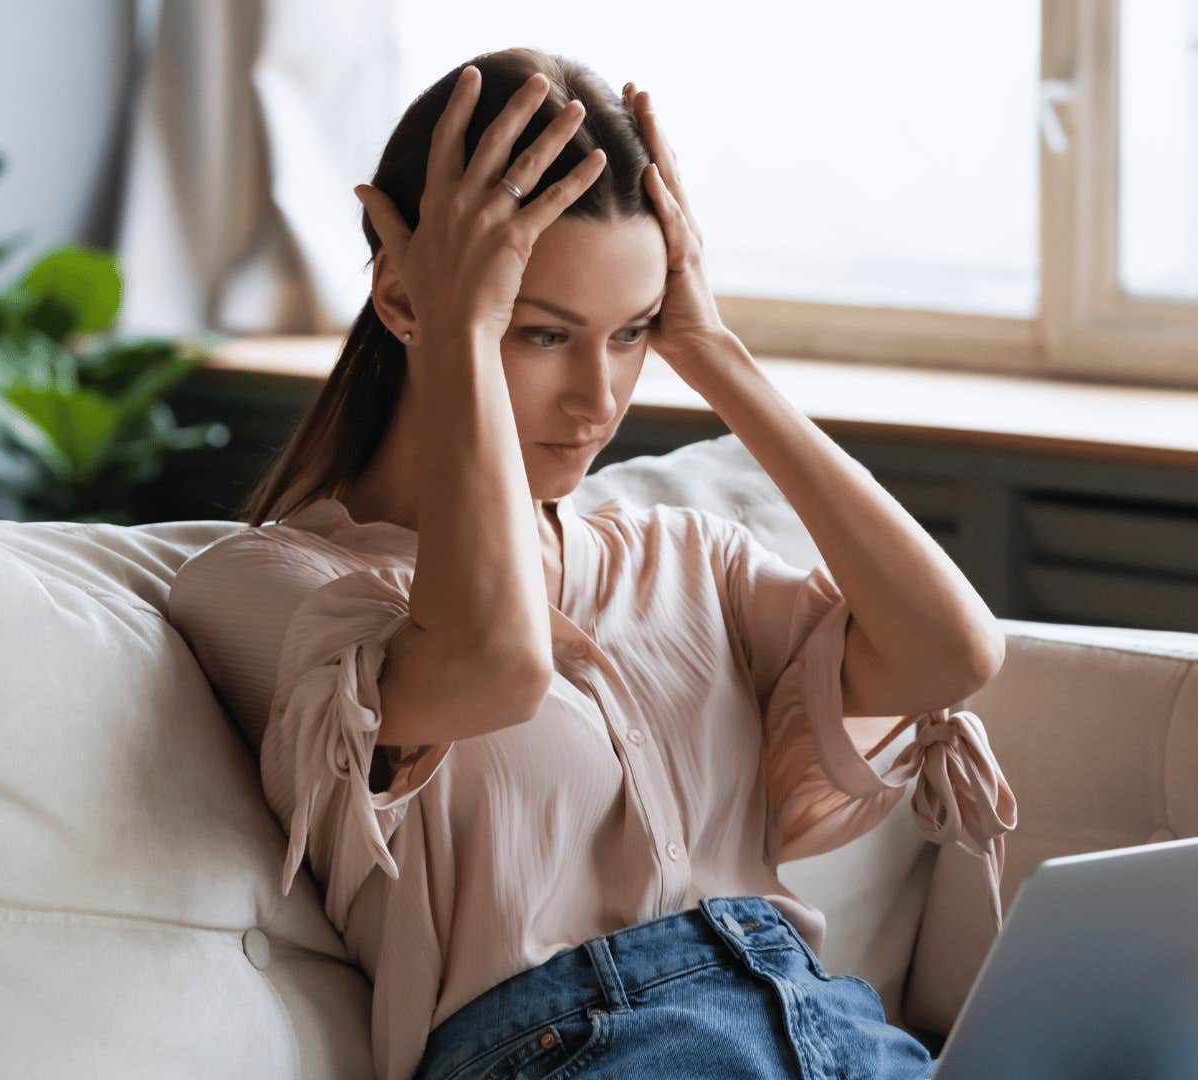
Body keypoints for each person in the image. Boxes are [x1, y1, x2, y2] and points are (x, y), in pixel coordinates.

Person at [167, 46, 1018, 1080]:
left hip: (832, 1034)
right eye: (540, 335)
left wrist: (711, 349)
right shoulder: (265, 588)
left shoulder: (686, 556)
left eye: (632, 335)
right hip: (571, 1051)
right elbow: (494, 667)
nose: (598, 400)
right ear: (402, 300)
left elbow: (951, 652)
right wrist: (463, 332)